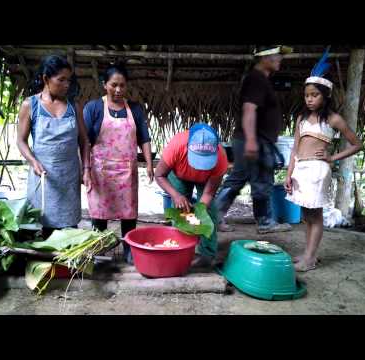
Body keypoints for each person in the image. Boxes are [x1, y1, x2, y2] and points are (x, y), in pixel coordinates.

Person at [285, 49, 362, 272]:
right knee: (306, 215)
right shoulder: (301, 118)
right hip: (301, 170)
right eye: (307, 95)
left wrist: (332, 157)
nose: (309, 99)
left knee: (316, 215)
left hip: (318, 171)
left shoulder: (333, 119)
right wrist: (288, 174)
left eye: (314, 95)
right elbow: (294, 150)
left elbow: (357, 144)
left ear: (325, 95)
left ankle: (310, 258)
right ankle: (308, 254)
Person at [215, 45, 293, 234]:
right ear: (264, 58)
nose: (280, 59)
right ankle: (262, 221)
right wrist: (251, 139)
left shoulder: (260, 79)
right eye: (277, 55)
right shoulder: (256, 79)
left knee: (249, 178)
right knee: (252, 180)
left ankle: (216, 216)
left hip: (256, 140)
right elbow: (249, 109)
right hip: (253, 140)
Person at [83, 63, 153, 264]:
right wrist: (85, 169)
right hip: (100, 171)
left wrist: (149, 163)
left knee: (128, 213)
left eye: (122, 85)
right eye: (114, 85)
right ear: (104, 84)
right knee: (99, 213)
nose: (118, 90)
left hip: (126, 172)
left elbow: (144, 138)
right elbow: (86, 141)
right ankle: (99, 248)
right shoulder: (94, 108)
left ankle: (129, 250)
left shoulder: (135, 109)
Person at [17, 55, 91, 238]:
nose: (67, 85)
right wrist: (33, 161)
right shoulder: (30, 105)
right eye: (61, 80)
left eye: (69, 80)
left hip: (68, 177)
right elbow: (21, 140)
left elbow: (84, 141)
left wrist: (86, 170)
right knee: (43, 226)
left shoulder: (74, 107)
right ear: (45, 79)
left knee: (68, 229)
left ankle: (65, 265)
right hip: (43, 177)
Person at [155, 123, 228, 267]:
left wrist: (200, 209)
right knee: (180, 212)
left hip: (206, 180)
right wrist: (176, 195)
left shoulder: (221, 159)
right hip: (179, 175)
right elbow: (159, 175)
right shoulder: (176, 146)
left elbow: (208, 193)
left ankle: (207, 255)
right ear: (187, 147)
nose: (199, 166)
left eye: (205, 161)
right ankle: (180, 249)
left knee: (208, 213)